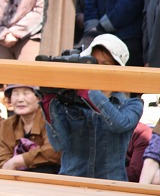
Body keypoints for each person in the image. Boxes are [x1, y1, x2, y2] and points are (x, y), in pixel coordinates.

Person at [45, 34, 143, 181]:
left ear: (118, 70)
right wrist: (49, 102)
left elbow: (119, 124)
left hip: (111, 187)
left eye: (105, 65)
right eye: (93, 62)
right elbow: (59, 144)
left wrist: (88, 92)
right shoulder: (70, 99)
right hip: (71, 183)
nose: (97, 69)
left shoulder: (132, 104)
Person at [0, 85, 61, 173]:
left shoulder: (51, 119)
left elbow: (54, 151)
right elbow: (2, 160)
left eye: (26, 93)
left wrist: (18, 161)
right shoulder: (7, 125)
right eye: (15, 94)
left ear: (39, 97)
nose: (20, 99)